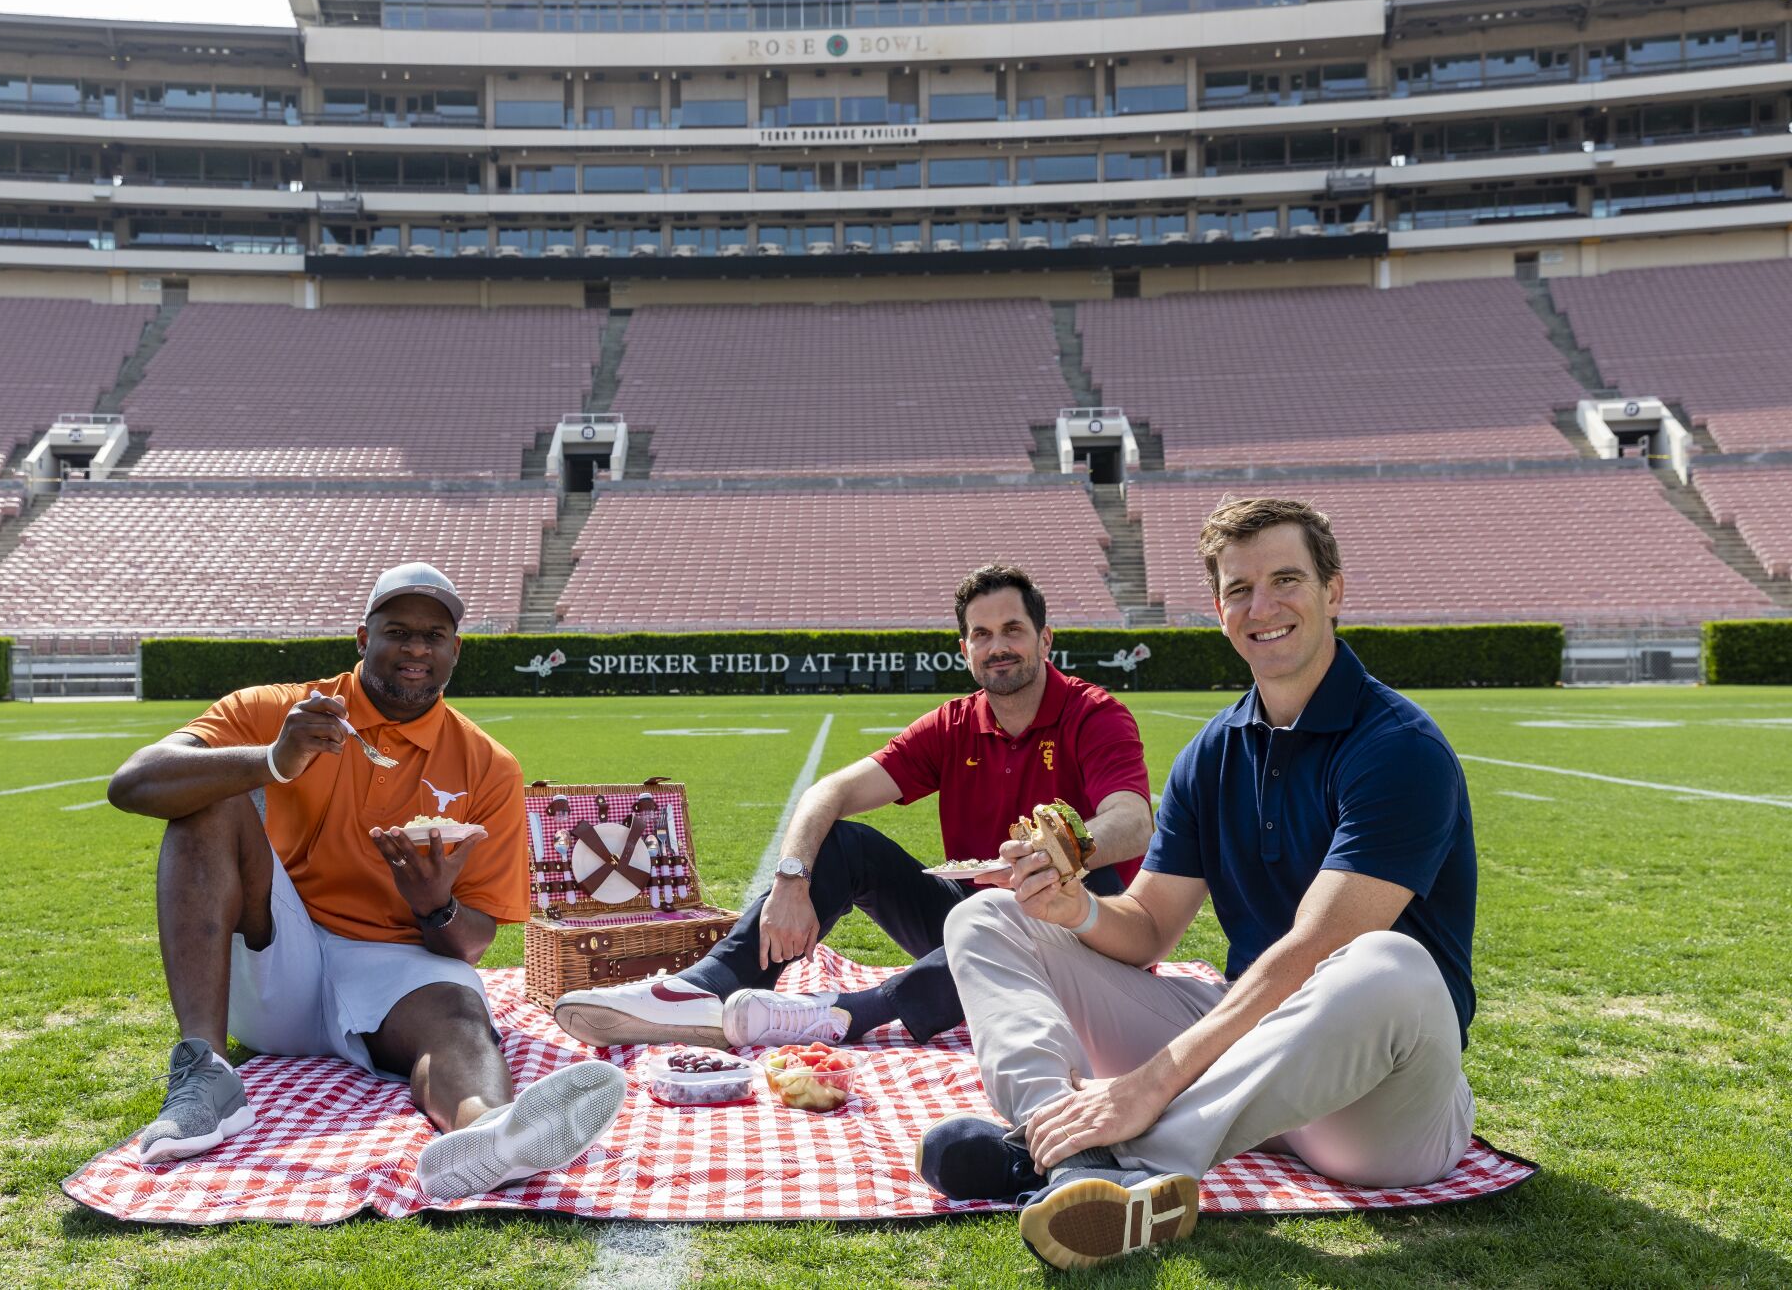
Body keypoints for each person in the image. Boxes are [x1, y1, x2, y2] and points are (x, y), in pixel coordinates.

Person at [923, 498, 1479, 1271]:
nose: (1263, 606)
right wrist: (1073, 907)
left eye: (1286, 579)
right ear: (1219, 611)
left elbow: (1318, 947)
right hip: (1243, 1062)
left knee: (1387, 961)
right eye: (1238, 589)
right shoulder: (1213, 752)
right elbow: (1150, 927)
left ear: (1333, 591)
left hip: (1378, 1104)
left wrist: (1152, 1082)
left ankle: (1128, 1153)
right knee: (986, 916)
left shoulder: (1398, 745)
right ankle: (1059, 1144)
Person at [107, 562, 625, 1200]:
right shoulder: (280, 711)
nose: (416, 647)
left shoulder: (488, 766)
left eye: (434, 635)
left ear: (455, 650)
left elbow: (472, 948)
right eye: (397, 631)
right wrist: (271, 761)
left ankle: (489, 1136)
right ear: (362, 638)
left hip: (396, 965)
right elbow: (132, 783)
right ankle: (205, 1071)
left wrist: (435, 907)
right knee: (210, 796)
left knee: (460, 1016)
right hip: (276, 958)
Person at [552, 563, 1154, 1051]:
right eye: (982, 634)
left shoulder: (1093, 714)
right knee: (845, 845)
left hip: (1079, 940)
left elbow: (1132, 820)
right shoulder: (954, 723)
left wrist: (1052, 857)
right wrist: (791, 881)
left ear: (1045, 639)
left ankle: (842, 1014)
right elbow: (828, 793)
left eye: (1013, 630)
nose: (998, 647)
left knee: (1015, 905)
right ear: (964, 648)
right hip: (971, 923)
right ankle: (701, 991)